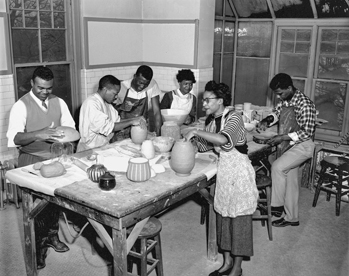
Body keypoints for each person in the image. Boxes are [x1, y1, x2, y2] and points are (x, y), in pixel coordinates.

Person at [185, 82, 258, 276]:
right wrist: (189, 143)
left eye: (207, 101)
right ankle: (226, 263)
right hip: (224, 174)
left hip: (239, 174)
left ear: (220, 100)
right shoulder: (211, 121)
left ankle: (237, 268)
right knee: (223, 217)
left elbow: (223, 140)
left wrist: (196, 132)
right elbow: (204, 146)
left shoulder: (235, 117)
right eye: (204, 101)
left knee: (239, 219)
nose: (204, 105)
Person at [6, 66, 76, 269]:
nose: (45, 92)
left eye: (48, 88)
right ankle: (37, 247)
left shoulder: (58, 102)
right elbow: (15, 138)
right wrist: (39, 133)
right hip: (31, 159)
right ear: (31, 84)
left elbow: (70, 127)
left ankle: (52, 236)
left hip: (55, 158)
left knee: (54, 202)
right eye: (40, 88)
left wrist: (65, 139)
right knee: (36, 208)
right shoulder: (21, 106)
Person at [258, 73, 316, 227]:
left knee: (277, 166)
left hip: (303, 146)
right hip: (290, 145)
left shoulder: (304, 104)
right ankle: (292, 218)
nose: (278, 97)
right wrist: (266, 120)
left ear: (290, 88)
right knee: (290, 182)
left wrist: (282, 137)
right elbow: (277, 112)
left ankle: (276, 206)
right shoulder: (286, 99)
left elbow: (307, 132)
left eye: (280, 93)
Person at [77, 75, 147, 152]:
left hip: (102, 147)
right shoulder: (91, 104)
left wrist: (135, 119)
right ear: (105, 90)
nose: (116, 97)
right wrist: (131, 122)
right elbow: (110, 127)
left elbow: (117, 121)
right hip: (89, 150)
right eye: (115, 93)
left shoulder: (107, 104)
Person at [113, 65, 162, 138]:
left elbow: (156, 112)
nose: (142, 86)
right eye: (140, 82)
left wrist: (158, 134)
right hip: (122, 131)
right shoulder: (122, 87)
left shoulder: (152, 85)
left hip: (142, 130)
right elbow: (113, 114)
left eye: (146, 84)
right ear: (134, 76)